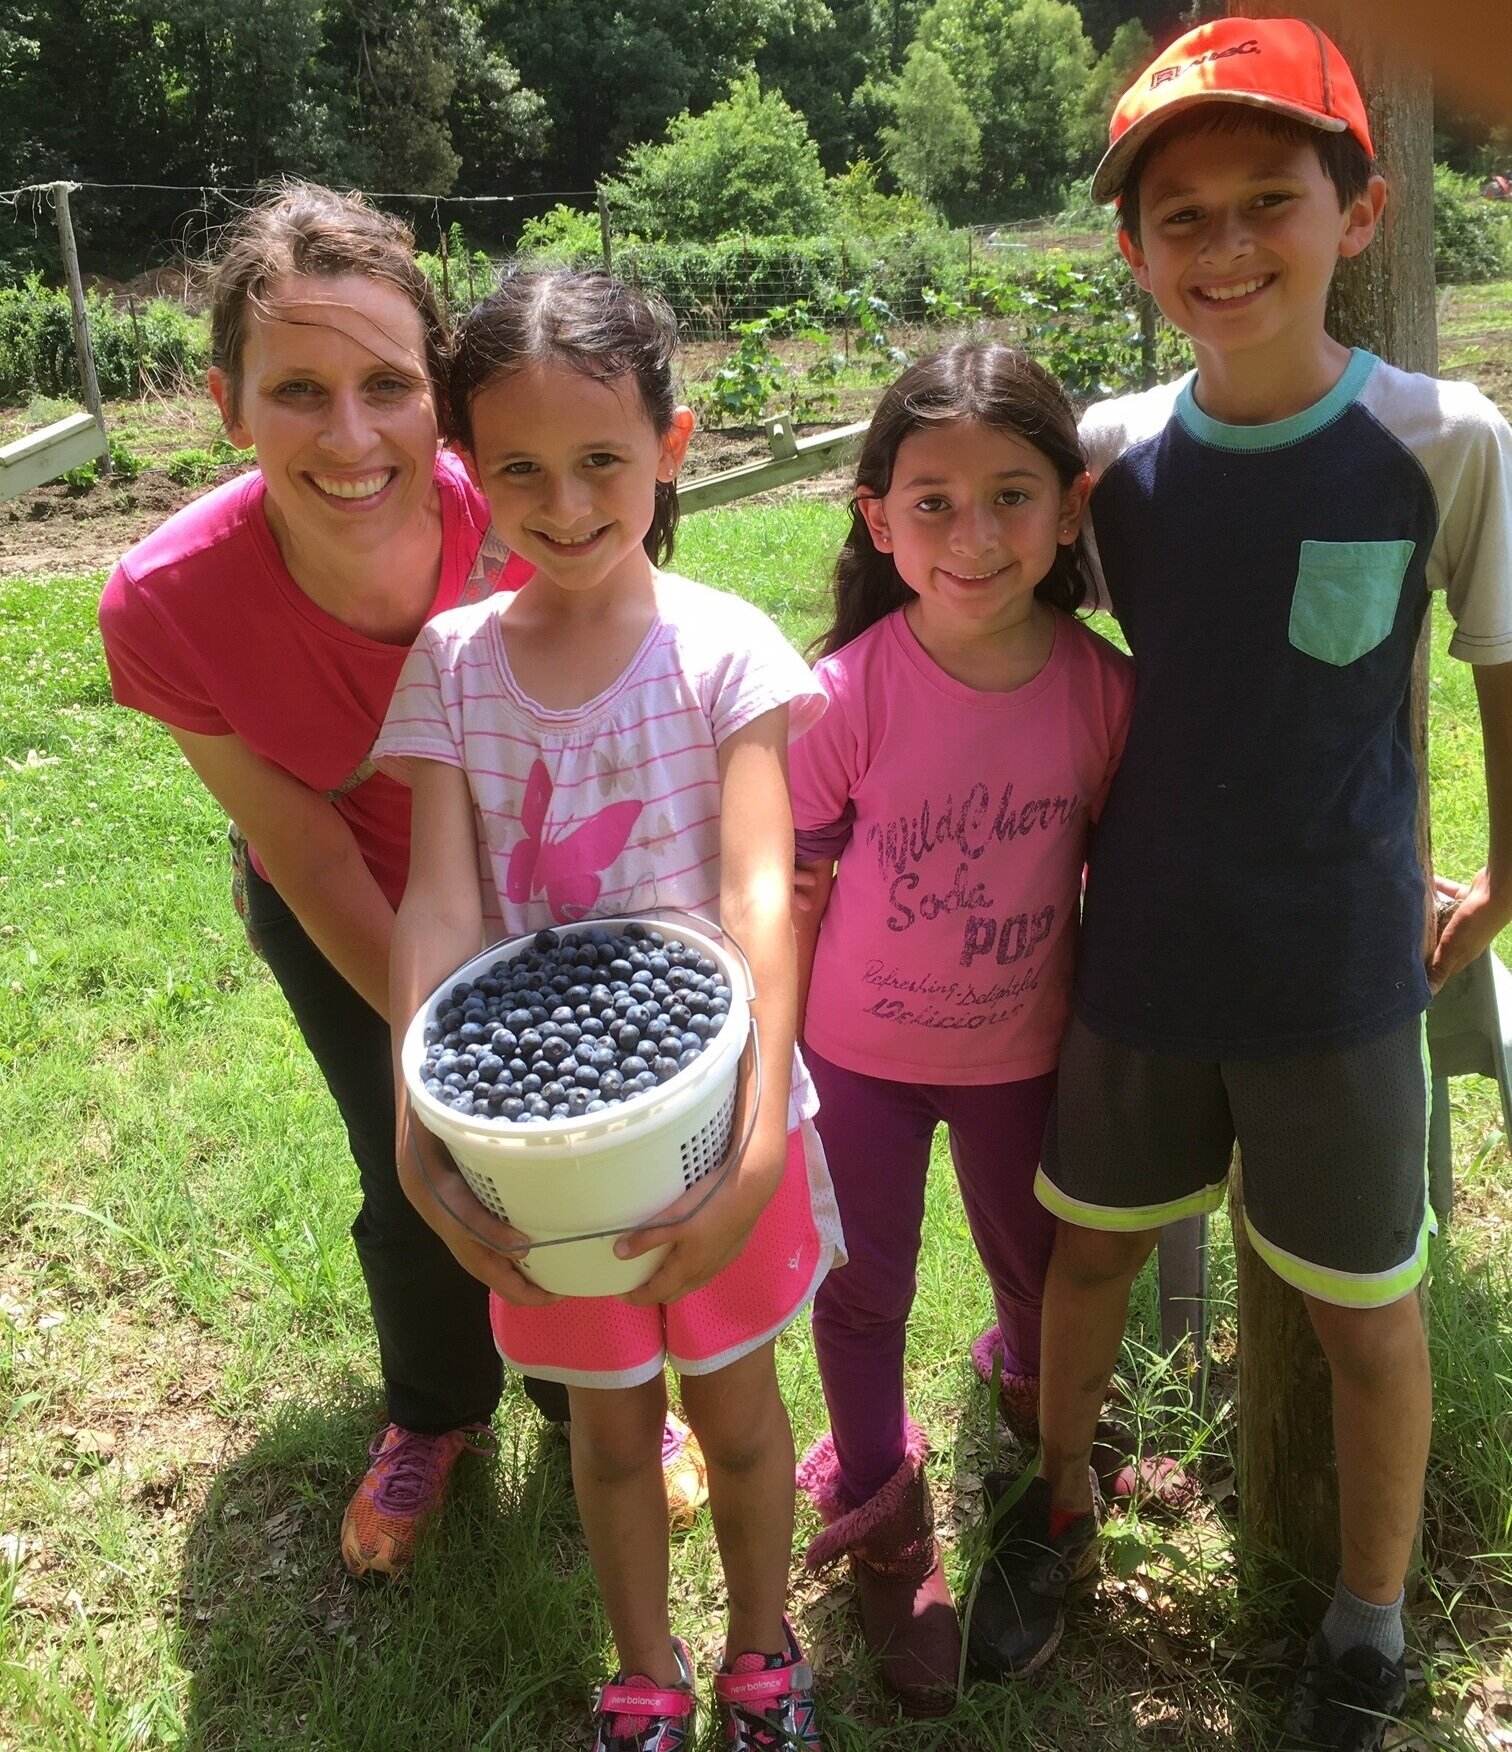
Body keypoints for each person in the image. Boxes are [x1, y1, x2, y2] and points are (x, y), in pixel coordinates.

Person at [970, 20, 1512, 1752]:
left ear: (1359, 212)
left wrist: (1498, 886)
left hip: (1343, 976)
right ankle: (1059, 1507)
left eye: (1268, 200)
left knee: (1370, 1316)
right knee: (1089, 1267)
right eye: (1179, 217)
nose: (1225, 249)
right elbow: (985, 636)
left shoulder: (1447, 442)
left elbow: (1504, 669)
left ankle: (1366, 1621)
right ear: (1132, 251)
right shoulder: (1107, 462)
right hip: (1135, 955)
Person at [96, 184, 706, 1583]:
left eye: (388, 384)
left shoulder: (516, 517)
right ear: (228, 405)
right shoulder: (165, 602)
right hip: (342, 902)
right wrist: (444, 1069)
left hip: (539, 875)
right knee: (408, 1155)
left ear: (443, 401)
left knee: (583, 1149)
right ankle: (434, 1410)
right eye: (298, 389)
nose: (351, 432)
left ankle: (598, 1393)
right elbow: (303, 847)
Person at [377, 268, 843, 1751]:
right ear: (470, 472)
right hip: (544, 1147)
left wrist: (757, 1133)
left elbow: (760, 895)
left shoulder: (720, 650)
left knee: (742, 1413)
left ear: (673, 446)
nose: (565, 503)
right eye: (520, 468)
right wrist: (415, 1127)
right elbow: (444, 914)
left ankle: (762, 1659)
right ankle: (643, 1675)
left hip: (718, 1112)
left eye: (603, 464)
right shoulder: (453, 665)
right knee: (608, 1429)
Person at [786, 344, 1134, 1715]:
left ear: (1072, 509)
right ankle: (880, 1506)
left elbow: (1142, 879)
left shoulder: (1107, 698)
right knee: (860, 1286)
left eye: (1012, 497)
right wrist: (774, 1066)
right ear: (879, 519)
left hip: (1025, 1060)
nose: (974, 537)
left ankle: (1043, 1428)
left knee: (1041, 1272)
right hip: (855, 1057)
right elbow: (794, 890)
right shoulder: (841, 697)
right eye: (932, 502)